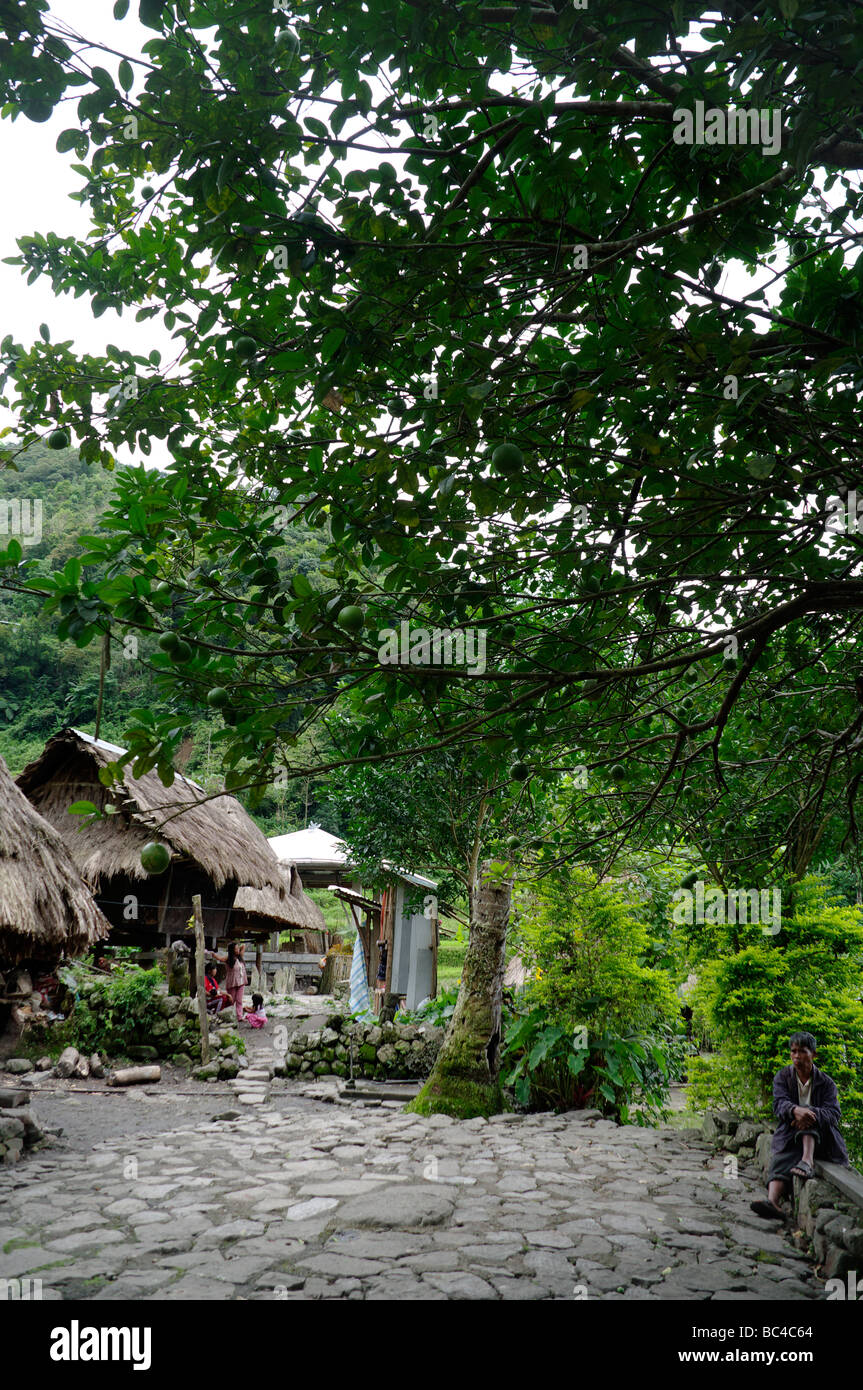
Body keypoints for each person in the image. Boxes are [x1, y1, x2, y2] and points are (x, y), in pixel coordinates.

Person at [751, 1031, 849, 1221]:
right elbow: (778, 1104)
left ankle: (808, 1161)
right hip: (792, 1133)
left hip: (822, 1139)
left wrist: (809, 1113)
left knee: (808, 1117)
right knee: (782, 1157)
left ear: (813, 1054)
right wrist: (795, 1111)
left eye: (802, 1051)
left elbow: (834, 1114)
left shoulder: (826, 1083)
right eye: (793, 1051)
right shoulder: (783, 1077)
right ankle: (773, 1202)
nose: (797, 1056)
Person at [220, 941, 248, 1025]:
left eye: (237, 948)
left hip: (241, 981)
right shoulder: (228, 959)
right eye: (235, 948)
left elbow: (244, 946)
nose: (237, 949)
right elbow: (220, 958)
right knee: (231, 1000)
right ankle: (227, 1014)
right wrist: (213, 954)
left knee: (239, 1000)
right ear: (232, 950)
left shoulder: (240, 957)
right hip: (232, 981)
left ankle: (239, 1016)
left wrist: (238, 948)